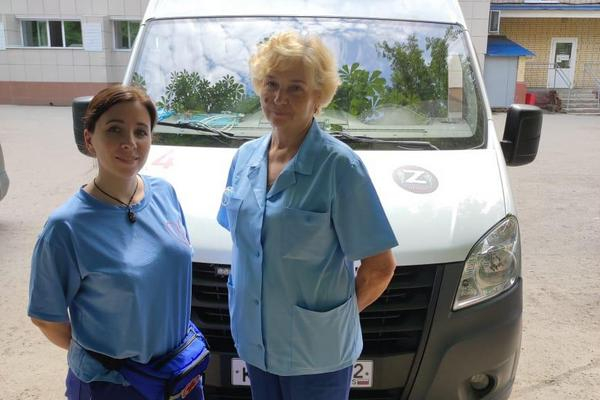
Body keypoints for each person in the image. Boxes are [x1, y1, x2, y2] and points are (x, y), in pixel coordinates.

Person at [217, 32, 398, 400]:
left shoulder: (340, 166)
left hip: (318, 356)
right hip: (255, 344)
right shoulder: (244, 158)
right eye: (272, 83)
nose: (279, 97)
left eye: (296, 88)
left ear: (318, 97)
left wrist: (330, 322)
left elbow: (380, 267)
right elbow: (244, 247)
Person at [28, 85, 204, 399]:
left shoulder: (165, 194)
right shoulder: (66, 227)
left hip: (179, 375)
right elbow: (46, 317)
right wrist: (107, 360)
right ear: (88, 139)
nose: (130, 142)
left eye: (141, 131)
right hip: (111, 386)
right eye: (114, 129)